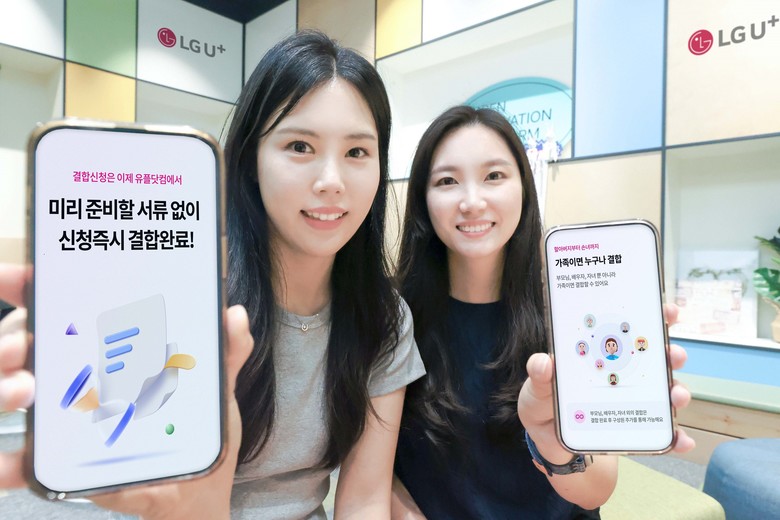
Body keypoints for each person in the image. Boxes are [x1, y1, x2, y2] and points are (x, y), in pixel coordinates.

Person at [0, 31, 425, 519]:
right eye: (300, 145)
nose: (332, 181)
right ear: (252, 161)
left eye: (357, 153)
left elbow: (365, 499)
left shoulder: (383, 317)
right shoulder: (190, 298)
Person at [391, 106, 694, 519]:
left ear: (524, 187)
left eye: (494, 176)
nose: (472, 201)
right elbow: (376, 475)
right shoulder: (395, 318)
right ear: (423, 200)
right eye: (447, 181)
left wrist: (550, 441)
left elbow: (595, 491)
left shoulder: (574, 311)